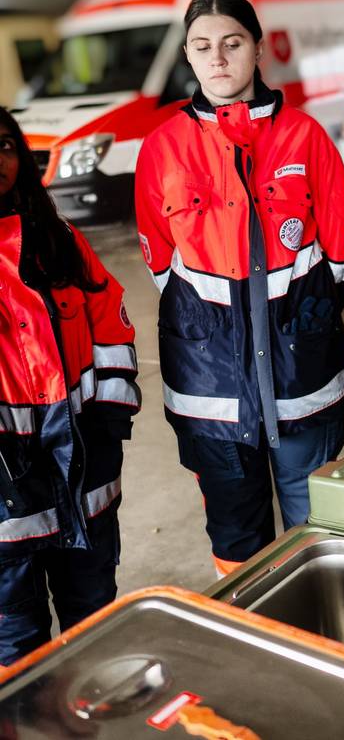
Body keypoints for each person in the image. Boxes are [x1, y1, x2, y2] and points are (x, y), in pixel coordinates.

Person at [135, 0, 344, 578]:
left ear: (258, 49)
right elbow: (162, 264)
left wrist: (300, 317)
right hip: (209, 387)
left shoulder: (305, 136)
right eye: (202, 46)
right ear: (188, 55)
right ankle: (247, 627)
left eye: (232, 43)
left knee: (318, 529)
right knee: (236, 542)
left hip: (303, 380)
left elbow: (343, 256)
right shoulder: (162, 148)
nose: (217, 58)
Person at [0, 107, 140, 664]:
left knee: (96, 629)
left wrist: (108, 422)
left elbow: (112, 325)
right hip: (6, 502)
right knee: (17, 652)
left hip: (84, 476)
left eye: (6, 145)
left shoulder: (57, 239)